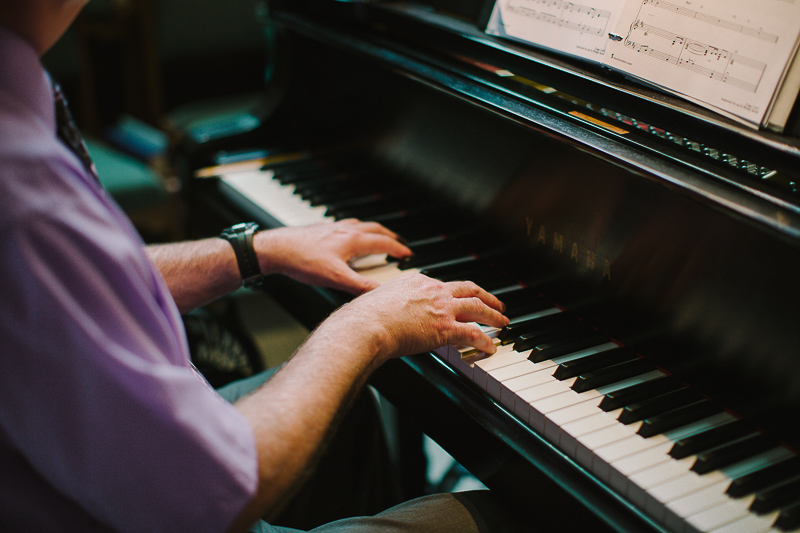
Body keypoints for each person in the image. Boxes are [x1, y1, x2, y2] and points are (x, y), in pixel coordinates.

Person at [0, 1, 532, 532]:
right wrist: (369, 325)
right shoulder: (23, 188)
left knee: (355, 413)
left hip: (70, 463)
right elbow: (199, 496)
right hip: (149, 499)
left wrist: (254, 252)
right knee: (500, 520)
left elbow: (72, 282)